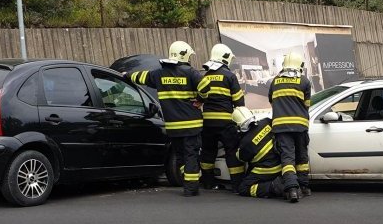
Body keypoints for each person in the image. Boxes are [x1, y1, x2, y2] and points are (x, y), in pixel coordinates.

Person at [123, 41, 204, 196]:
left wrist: (126, 76)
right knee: (191, 155)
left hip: (173, 126)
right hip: (191, 125)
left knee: (180, 156)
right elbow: (206, 88)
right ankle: (191, 187)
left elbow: (140, 76)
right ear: (185, 54)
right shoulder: (191, 72)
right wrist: (201, 99)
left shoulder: (159, 74)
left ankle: (189, 180)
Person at [197, 43, 246, 191]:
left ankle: (208, 183)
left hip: (207, 123)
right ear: (225, 58)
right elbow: (239, 102)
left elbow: (200, 98)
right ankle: (237, 185)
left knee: (208, 153)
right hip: (225, 122)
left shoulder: (205, 76)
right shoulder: (230, 76)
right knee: (232, 152)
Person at [268, 52, 312, 202]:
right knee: (302, 157)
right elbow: (307, 105)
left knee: (287, 158)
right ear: (300, 65)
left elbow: (271, 100)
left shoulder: (275, 81)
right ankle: (304, 187)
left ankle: (292, 189)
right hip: (300, 125)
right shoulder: (304, 81)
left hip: (281, 126)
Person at [231, 107, 288, 200]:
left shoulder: (245, 143)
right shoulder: (266, 122)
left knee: (243, 188)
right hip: (282, 163)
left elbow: (241, 158)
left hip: (267, 170)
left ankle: (274, 187)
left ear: (238, 125)